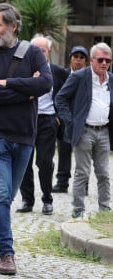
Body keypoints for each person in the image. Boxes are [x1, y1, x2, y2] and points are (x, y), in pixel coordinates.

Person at [0, 3, 51, 275]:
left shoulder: (33, 53)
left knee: (6, 196)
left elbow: (45, 84)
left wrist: (6, 83)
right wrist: (27, 90)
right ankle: (7, 254)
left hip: (26, 136)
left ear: (13, 26)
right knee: (2, 194)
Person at [55, 42, 113, 219]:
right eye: (101, 59)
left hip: (104, 131)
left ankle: (105, 209)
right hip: (84, 131)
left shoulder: (111, 79)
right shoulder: (80, 76)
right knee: (82, 172)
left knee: (104, 172)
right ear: (93, 60)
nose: (104, 63)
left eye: (108, 60)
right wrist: (71, 122)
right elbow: (60, 98)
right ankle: (78, 209)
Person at [15, 35, 68, 215]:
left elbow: (67, 95)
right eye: (35, 50)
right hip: (26, 120)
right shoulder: (22, 70)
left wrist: (60, 116)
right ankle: (27, 199)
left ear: (49, 52)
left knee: (45, 162)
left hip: (47, 121)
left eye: (42, 51)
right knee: (23, 161)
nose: (38, 54)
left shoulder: (57, 72)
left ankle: (47, 198)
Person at [53, 45, 89, 193]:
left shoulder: (89, 77)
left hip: (83, 121)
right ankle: (62, 183)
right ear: (70, 60)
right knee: (63, 152)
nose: (78, 60)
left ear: (86, 61)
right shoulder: (62, 75)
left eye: (82, 58)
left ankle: (83, 185)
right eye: (76, 57)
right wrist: (56, 115)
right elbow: (56, 95)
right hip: (64, 120)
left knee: (84, 155)